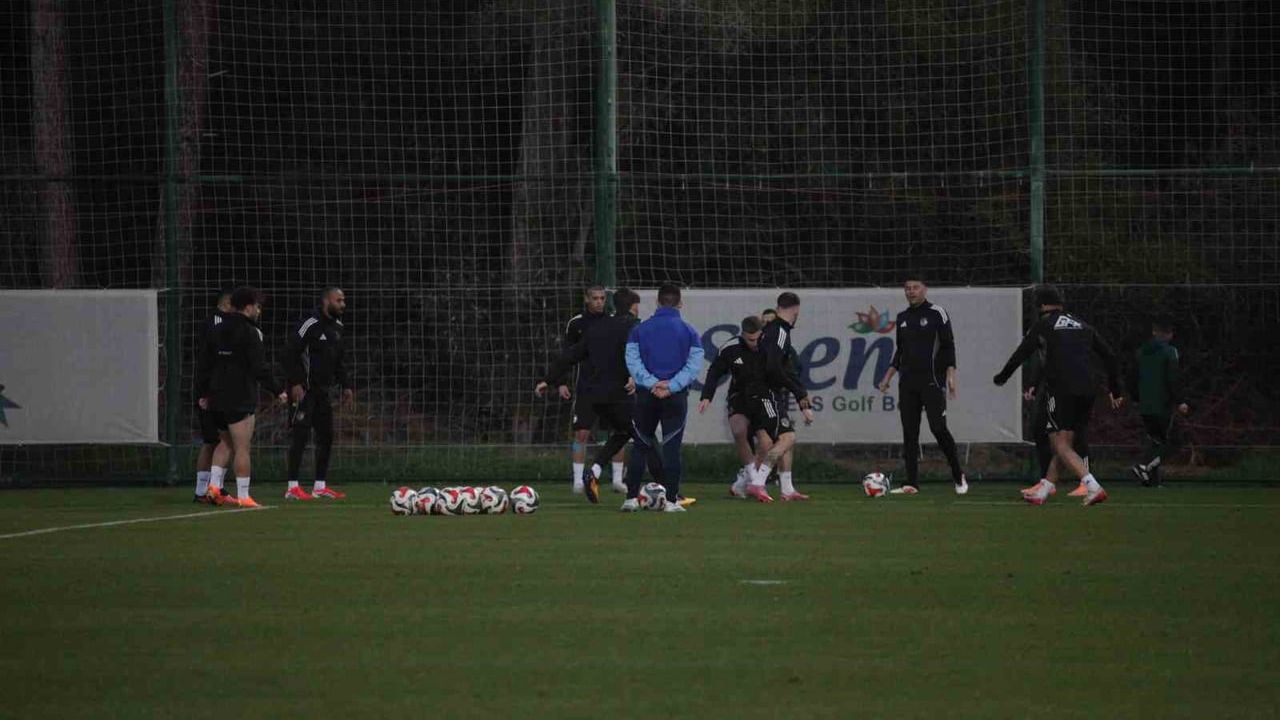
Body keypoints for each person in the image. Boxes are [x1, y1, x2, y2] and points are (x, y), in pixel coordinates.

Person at [535, 289, 667, 510]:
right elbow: (638, 355)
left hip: (593, 394)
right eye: (636, 307)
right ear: (632, 308)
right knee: (644, 436)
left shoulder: (597, 328)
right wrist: (635, 377)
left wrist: (548, 379)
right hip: (617, 394)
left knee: (624, 432)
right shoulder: (634, 327)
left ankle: (594, 471)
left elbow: (570, 355)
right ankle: (668, 491)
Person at [993, 285, 1123, 507]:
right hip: (1088, 389)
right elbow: (1109, 355)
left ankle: (1092, 486)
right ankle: (1044, 489)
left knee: (1058, 443)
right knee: (1067, 441)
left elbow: (1022, 353)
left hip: (1061, 388)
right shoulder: (1083, 325)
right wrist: (1115, 389)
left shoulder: (1043, 325)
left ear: (1041, 306)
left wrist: (1002, 377)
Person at [876, 278, 968, 495]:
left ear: (925, 289)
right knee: (910, 433)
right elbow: (900, 352)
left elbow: (949, 346)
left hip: (932, 381)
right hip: (908, 383)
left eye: (915, 287)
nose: (911, 292)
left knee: (938, 428)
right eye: (907, 288)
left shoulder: (937, 313)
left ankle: (958, 475)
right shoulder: (902, 318)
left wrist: (951, 376)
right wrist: (887, 377)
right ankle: (912, 483)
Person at [200, 286, 287, 509]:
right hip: (239, 396)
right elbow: (259, 368)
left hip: (216, 395)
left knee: (225, 443)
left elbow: (206, 362)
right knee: (242, 447)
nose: (259, 310)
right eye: (257, 306)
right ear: (248, 307)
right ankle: (244, 496)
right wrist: (277, 390)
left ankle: (214, 488)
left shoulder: (217, 328)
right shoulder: (251, 332)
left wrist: (204, 393)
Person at [625, 283, 705, 512]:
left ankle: (630, 499)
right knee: (671, 448)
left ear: (658, 302)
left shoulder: (639, 330)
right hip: (675, 397)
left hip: (646, 395)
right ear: (680, 303)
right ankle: (671, 501)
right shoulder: (689, 332)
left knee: (641, 445)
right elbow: (694, 366)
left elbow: (632, 361)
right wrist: (672, 386)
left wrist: (651, 383)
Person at [282, 287, 354, 501]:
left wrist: (346, 385)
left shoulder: (338, 328)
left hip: (323, 392)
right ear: (326, 301)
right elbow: (289, 353)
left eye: (343, 300)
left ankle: (320, 486)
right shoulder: (309, 324)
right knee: (300, 435)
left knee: (326, 436)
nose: (343, 304)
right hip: (304, 391)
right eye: (338, 300)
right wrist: (295, 382)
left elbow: (339, 361)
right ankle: (292, 487)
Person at [746, 292, 815, 502]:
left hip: (764, 392)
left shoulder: (771, 330)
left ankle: (787, 489)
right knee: (787, 438)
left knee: (784, 438)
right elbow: (774, 368)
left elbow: (784, 368)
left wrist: (801, 396)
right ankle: (757, 482)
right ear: (796, 310)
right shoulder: (780, 331)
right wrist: (798, 392)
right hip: (766, 393)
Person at [558, 286, 626, 495]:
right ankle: (578, 481)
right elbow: (566, 355)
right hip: (586, 388)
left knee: (620, 431)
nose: (599, 302)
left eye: (602, 298)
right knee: (581, 433)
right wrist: (561, 382)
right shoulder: (576, 324)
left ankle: (617, 479)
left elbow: (623, 352)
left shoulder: (614, 322)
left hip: (612, 387)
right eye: (595, 298)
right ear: (587, 299)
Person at [697, 315, 771, 498]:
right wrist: (707, 396)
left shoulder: (771, 346)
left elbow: (786, 371)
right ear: (742, 334)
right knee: (739, 431)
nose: (753, 343)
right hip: (740, 396)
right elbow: (714, 372)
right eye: (749, 339)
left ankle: (742, 482)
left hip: (765, 398)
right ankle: (755, 481)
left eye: (756, 339)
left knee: (766, 443)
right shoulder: (730, 348)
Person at [1021, 344, 1092, 498]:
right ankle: (1047, 482)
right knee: (1041, 429)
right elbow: (1042, 362)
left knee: (1075, 432)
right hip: (1051, 388)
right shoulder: (1043, 344)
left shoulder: (1071, 340)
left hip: (1072, 387)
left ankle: (1086, 481)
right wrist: (1033, 383)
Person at [1130, 315, 1189, 487]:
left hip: (1145, 405)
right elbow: (1173, 378)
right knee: (1172, 442)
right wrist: (1180, 400)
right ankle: (1143, 466)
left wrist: (1136, 398)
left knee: (1155, 441)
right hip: (1162, 404)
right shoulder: (1170, 352)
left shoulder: (1141, 352)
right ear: (1169, 334)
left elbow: (1132, 377)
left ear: (1154, 332)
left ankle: (1153, 481)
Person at [193, 289, 235, 504]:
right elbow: (209, 360)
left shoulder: (220, 323)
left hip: (216, 390)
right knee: (219, 440)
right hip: (212, 391)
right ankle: (207, 489)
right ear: (227, 304)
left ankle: (207, 489)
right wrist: (205, 392)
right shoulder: (217, 324)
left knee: (215, 441)